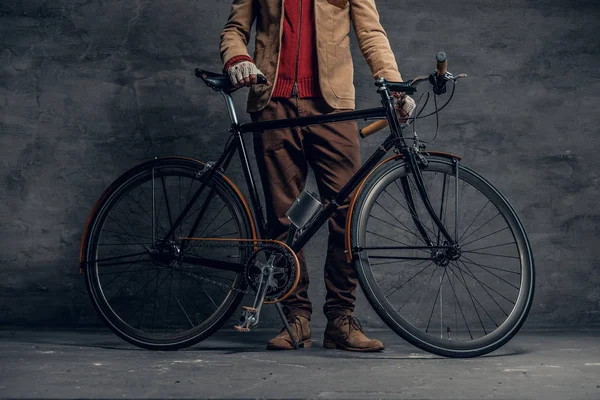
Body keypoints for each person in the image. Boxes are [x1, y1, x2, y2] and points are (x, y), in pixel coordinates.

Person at [219, 0, 415, 352]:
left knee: (346, 213)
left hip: (333, 106)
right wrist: (237, 57)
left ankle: (341, 318)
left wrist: (394, 84)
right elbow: (235, 29)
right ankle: (296, 318)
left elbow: (370, 31)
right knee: (282, 218)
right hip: (272, 103)